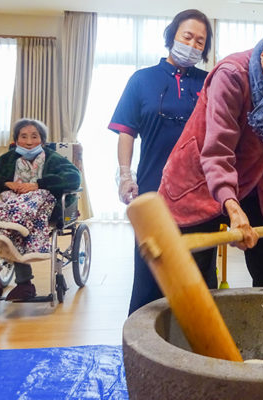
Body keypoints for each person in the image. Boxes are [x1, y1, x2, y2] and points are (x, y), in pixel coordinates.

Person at [158, 16, 263, 301]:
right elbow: (217, 152)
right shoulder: (232, 75)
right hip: (199, 178)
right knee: (194, 291)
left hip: (261, 180)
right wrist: (234, 211)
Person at [107, 9, 212, 314]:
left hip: (201, 193)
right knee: (150, 273)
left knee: (200, 275)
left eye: (200, 41)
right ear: (172, 36)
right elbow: (126, 131)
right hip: (154, 190)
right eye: (187, 36)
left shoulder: (210, 83)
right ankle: (145, 349)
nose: (192, 44)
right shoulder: (141, 80)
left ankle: (199, 349)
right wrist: (125, 175)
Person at [0, 118, 80, 300]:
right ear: (16, 140)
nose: (28, 141)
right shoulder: (7, 159)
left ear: (42, 140)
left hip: (43, 206)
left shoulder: (53, 158)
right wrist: (5, 183)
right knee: (3, 225)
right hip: (11, 202)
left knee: (12, 223)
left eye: (34, 136)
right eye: (23, 136)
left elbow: (74, 178)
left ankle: (24, 284)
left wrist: (38, 185)